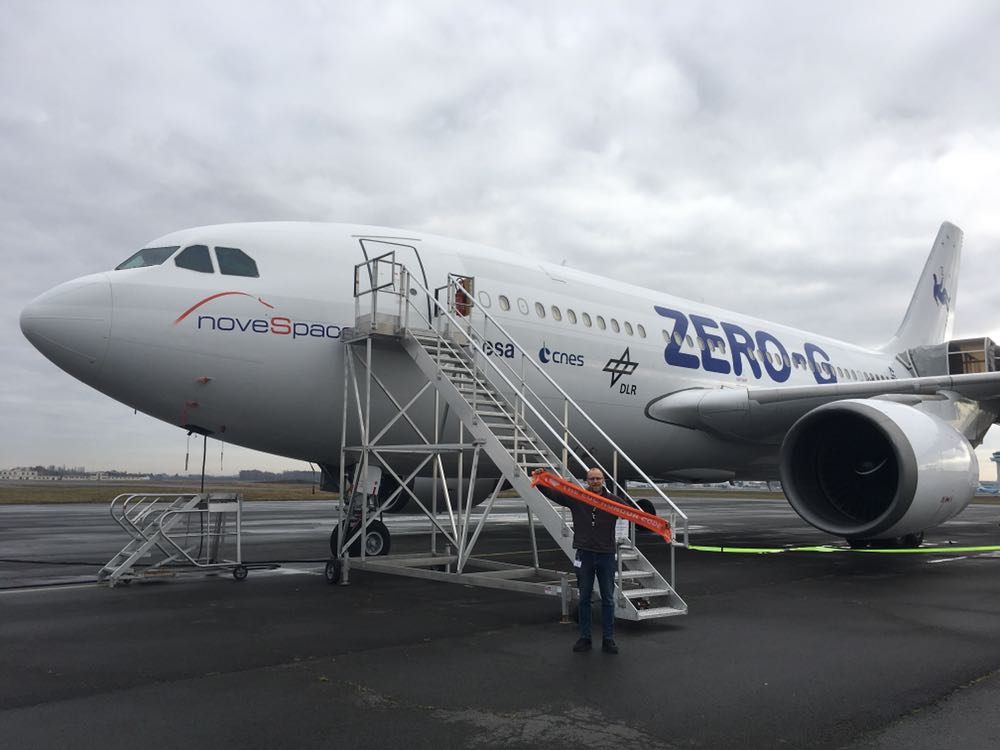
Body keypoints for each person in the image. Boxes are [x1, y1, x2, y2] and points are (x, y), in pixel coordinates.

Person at [533, 467, 620, 654]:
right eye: (592, 479)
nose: (595, 481)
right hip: (584, 554)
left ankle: (608, 639)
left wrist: (656, 524)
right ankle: (585, 637)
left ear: (603, 480)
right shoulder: (578, 497)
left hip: (606, 555)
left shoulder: (613, 501)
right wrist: (540, 481)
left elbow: (633, 513)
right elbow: (555, 494)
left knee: (608, 599)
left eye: (598, 478)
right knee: (584, 598)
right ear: (587, 481)